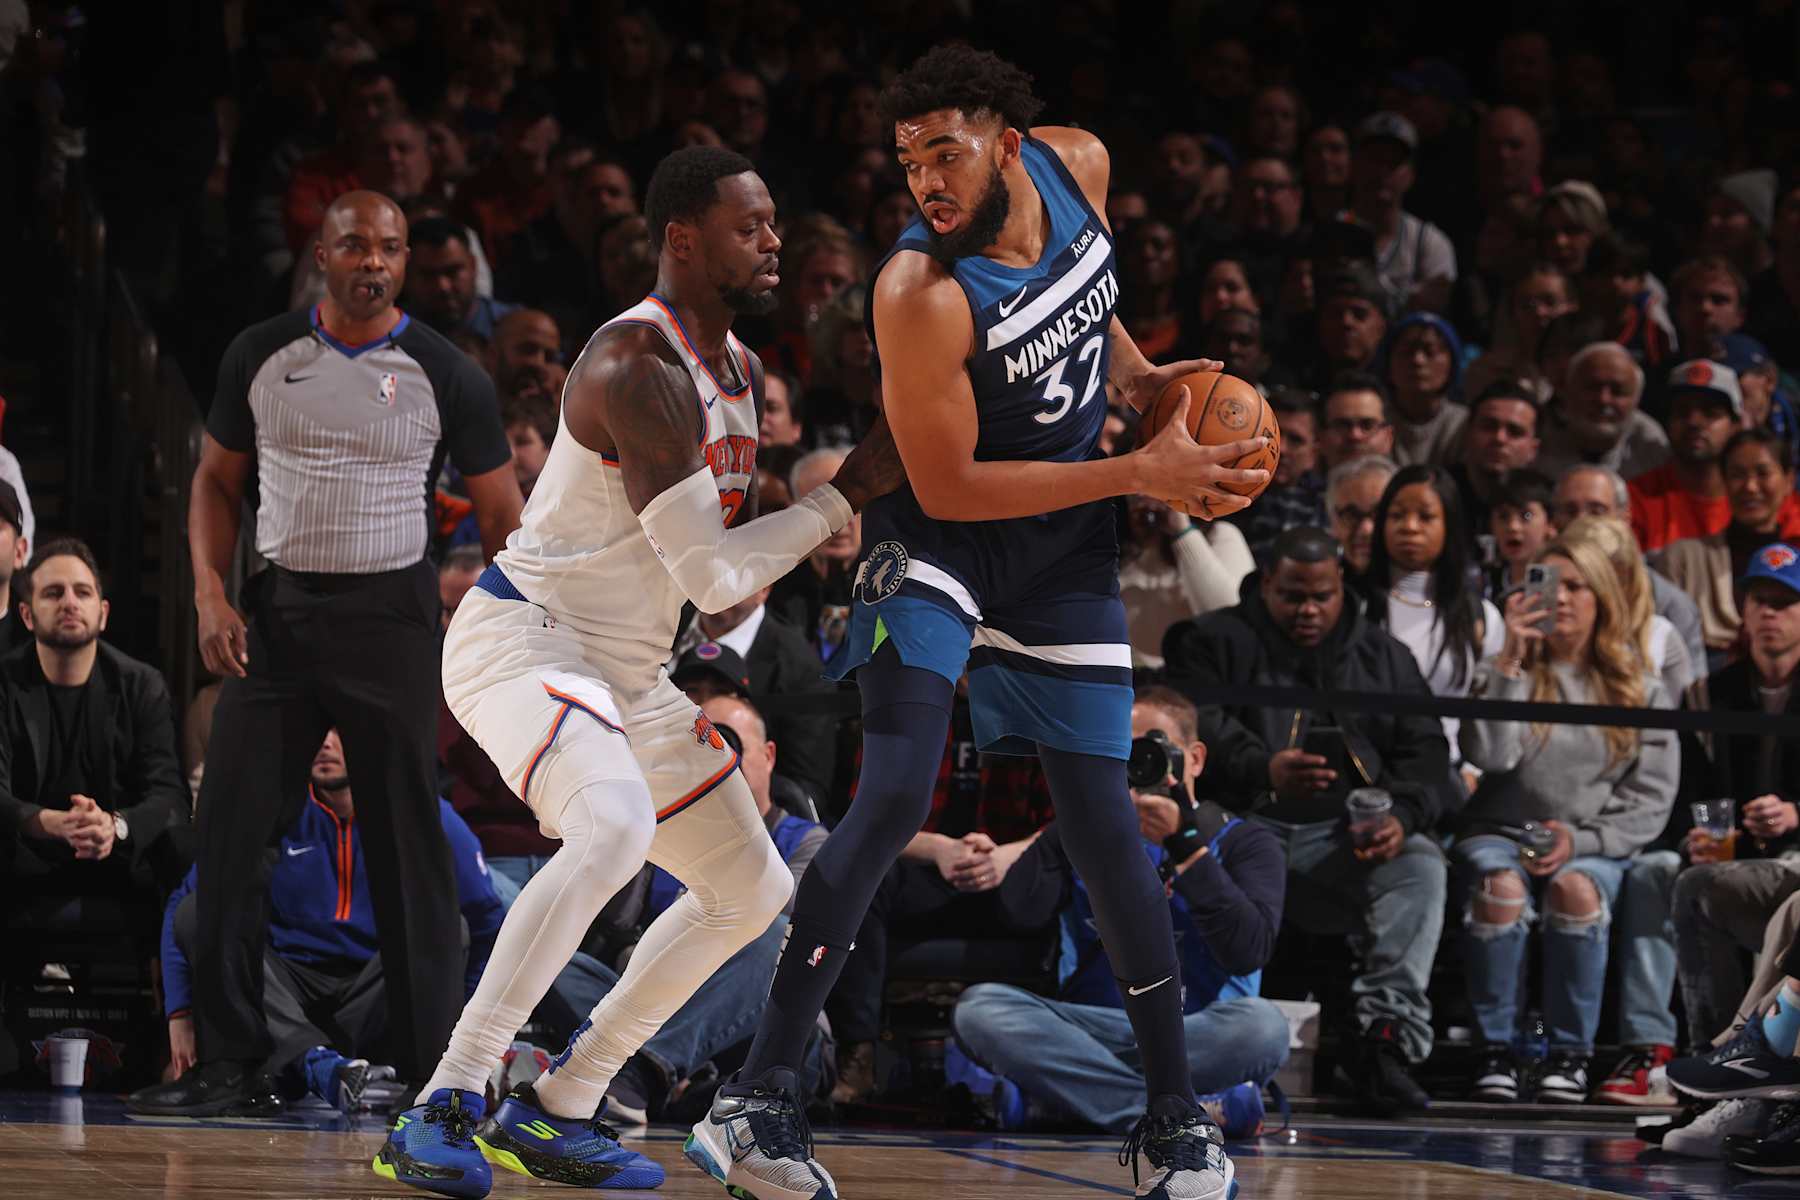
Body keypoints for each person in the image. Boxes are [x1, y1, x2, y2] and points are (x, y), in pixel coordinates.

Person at [695, 48, 1271, 1200]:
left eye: (945, 151)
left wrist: (1152, 381)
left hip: (1059, 551)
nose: (925, 182)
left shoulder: (1080, 166)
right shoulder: (917, 290)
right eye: (907, 161)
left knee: (1108, 826)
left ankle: (1171, 1121)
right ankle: (754, 1101)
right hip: (943, 537)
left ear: (1010, 143)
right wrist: (1134, 470)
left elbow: (1092, 310)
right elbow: (948, 483)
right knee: (897, 789)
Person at [376, 146, 901, 1197]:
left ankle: (564, 1100)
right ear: (681, 237)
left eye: (773, 224)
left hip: (628, 665)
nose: (771, 242)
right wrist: (849, 495)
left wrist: (792, 538)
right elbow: (714, 567)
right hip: (527, 640)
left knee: (753, 890)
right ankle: (446, 1097)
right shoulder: (637, 367)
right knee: (611, 827)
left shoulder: (741, 375)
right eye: (748, 226)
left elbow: (714, 585)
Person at [172, 192, 524, 1116]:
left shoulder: (449, 371)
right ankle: (229, 1066)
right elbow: (213, 479)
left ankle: (430, 1074)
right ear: (320, 256)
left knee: (412, 849)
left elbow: (502, 519)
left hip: (392, 617)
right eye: (355, 245)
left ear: (406, 262)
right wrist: (210, 594)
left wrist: (497, 630)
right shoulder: (261, 353)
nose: (374, 260)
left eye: (392, 247)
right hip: (279, 614)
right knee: (233, 836)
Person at [1164, 528, 1455, 1115]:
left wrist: (1399, 814)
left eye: (1321, 596)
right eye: (1293, 595)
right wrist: (1262, 769)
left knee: (1421, 864)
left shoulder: (1383, 655)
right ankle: (1200, 1031)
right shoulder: (1211, 640)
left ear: (1341, 586)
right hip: (1246, 823)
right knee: (1197, 835)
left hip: (1346, 838)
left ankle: (1384, 1041)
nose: (1308, 610)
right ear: (1266, 583)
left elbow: (1428, 758)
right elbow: (1197, 728)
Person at [952, 687, 1290, 1134]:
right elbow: (1019, 912)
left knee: (1265, 1026)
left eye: (1153, 746)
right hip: (1093, 1031)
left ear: (1194, 759)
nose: (1138, 761)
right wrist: (1071, 817)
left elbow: (1249, 948)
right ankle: (1187, 1112)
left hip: (1197, 1030)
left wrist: (1185, 847)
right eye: (1122, 749)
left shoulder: (1248, 843)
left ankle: (1070, 1103)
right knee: (979, 1010)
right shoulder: (1083, 831)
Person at [133, 730, 503, 1117]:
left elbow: (487, 923)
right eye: (317, 729)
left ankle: (305, 1065)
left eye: (341, 731)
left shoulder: (425, 814)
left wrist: (470, 1038)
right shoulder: (273, 810)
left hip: (378, 997)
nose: (325, 743)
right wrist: (181, 1013)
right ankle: (318, 1064)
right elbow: (183, 903)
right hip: (284, 995)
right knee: (199, 912)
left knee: (450, 928)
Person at [1457, 535, 1678, 1104]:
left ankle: (1570, 1055)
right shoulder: (1506, 668)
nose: (1563, 599)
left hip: (1591, 843)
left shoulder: (1638, 686)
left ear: (1602, 597)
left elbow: (1652, 798)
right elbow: (1491, 756)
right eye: (1551, 585)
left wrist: (1581, 840)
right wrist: (1511, 656)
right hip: (1502, 833)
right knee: (1498, 886)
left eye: (1577, 587)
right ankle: (1495, 1051)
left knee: (1577, 891)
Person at [0, 540, 191, 972]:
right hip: (23, 860)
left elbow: (169, 797)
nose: (70, 602)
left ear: (102, 614)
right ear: (27, 615)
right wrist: (51, 823)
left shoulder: (142, 685)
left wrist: (114, 826)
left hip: (116, 861)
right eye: (53, 593)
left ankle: (177, 1019)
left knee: (185, 845)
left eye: (82, 592)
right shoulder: (3, 683)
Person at [1674, 543, 1800, 1060]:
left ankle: (1737, 1058)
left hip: (1794, 860)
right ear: (1742, 611)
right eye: (1758, 600)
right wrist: (1694, 836)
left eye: (1784, 601)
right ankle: (1707, 1052)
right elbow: (1687, 795)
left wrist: (1796, 813)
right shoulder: (1707, 693)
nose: (1769, 612)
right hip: (1743, 862)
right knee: (1692, 883)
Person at [1366, 465, 1504, 781]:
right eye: (1397, 515)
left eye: (1426, 517)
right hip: (1375, 773)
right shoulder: (1357, 606)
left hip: (1450, 776)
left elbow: (1488, 712)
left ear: (1450, 525)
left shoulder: (1480, 617)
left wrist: (1472, 770)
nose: (1409, 527)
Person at [668, 594, 837, 806]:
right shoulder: (659, 625)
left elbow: (807, 793)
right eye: (692, 691)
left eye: (721, 693)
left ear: (766, 585)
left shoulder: (800, 666)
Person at [1655, 428, 1800, 665]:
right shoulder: (1681, 558)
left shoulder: (1798, 560)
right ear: (1723, 481)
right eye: (1737, 474)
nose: (1750, 487)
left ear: (1788, 481)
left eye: (1763, 473)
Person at [1553, 464, 1708, 676]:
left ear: (1625, 518)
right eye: (1570, 511)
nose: (1581, 521)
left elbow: (1690, 702)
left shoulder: (1672, 608)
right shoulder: (1535, 595)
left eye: (1596, 511)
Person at [1631, 360, 1790, 553]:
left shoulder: (1767, 499)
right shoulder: (1636, 498)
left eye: (1710, 413)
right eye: (1683, 412)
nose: (1694, 422)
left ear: (1736, 425)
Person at [1118, 494, 1255, 669]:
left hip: (1203, 674)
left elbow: (1225, 617)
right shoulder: (1121, 546)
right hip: (1135, 675)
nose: (1142, 496)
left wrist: (1182, 532)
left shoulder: (1220, 534)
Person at [1349, 112, 1456, 313]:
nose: (1382, 171)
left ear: (1410, 174)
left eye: (1394, 163)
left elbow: (1429, 316)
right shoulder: (1332, 233)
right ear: (1354, 166)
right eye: (1374, 159)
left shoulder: (1429, 243)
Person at [1533, 342, 1671, 483]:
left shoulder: (1650, 445)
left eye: (1618, 391)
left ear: (1636, 399)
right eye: (1592, 387)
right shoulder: (1538, 434)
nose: (1603, 400)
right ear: (1567, 391)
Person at [403, 216, 520, 341]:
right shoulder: (388, 333)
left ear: (473, 265)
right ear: (407, 274)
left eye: (452, 271)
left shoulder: (518, 328)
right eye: (428, 275)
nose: (443, 286)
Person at [1451, 383, 1542, 536]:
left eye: (1515, 432)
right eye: (1488, 427)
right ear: (1467, 434)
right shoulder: (1438, 495)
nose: (1499, 438)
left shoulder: (1545, 502)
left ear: (1533, 449)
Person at [1381, 312, 1467, 466]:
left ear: (1452, 364)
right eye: (1407, 351)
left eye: (1430, 351)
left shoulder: (1464, 425)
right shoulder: (1372, 421)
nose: (1417, 361)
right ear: (1388, 362)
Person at [1325, 455, 1399, 589]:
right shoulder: (1322, 588)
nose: (1366, 530)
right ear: (1333, 522)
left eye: (1379, 514)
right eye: (1351, 516)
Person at [1487, 470, 1554, 601]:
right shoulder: (1484, 584)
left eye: (1526, 516)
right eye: (1503, 516)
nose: (1513, 527)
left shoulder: (1563, 584)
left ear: (1551, 524)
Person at [1318, 372, 1397, 471]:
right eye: (1342, 425)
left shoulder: (1411, 486)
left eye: (1367, 425)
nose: (1355, 435)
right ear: (1321, 438)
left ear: (1388, 437)